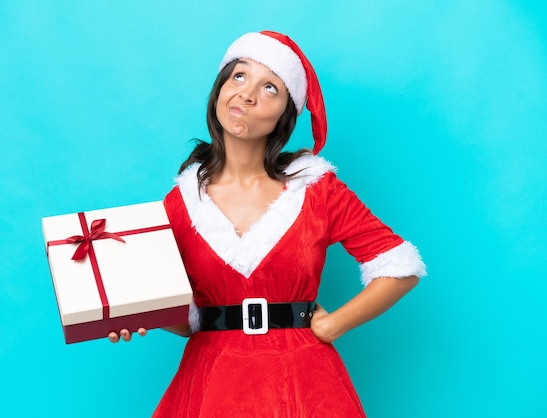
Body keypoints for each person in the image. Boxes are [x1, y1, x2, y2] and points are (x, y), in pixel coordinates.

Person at [109, 31, 426, 417]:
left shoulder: (315, 188)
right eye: (238, 77)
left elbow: (401, 267)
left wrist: (335, 325)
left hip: (304, 381)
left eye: (270, 87)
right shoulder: (182, 201)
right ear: (220, 89)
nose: (247, 93)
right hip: (212, 382)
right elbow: (187, 321)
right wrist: (139, 315)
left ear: (284, 115)